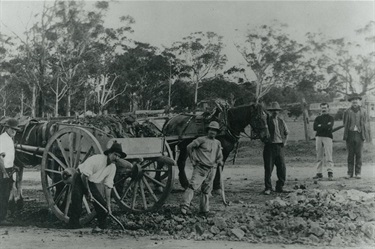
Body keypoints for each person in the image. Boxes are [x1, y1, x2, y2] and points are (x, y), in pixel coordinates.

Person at [68, 141, 127, 230]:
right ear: (109, 153)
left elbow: (108, 186)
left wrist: (108, 205)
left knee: (102, 206)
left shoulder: (112, 167)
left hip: (90, 181)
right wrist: (88, 192)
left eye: (119, 156)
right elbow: (84, 176)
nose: (117, 158)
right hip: (80, 178)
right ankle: (73, 227)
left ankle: (101, 226)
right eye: (115, 155)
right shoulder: (97, 160)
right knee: (77, 204)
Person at [181, 121, 224, 216]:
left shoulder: (217, 143)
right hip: (200, 168)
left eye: (215, 130)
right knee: (192, 186)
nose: (212, 132)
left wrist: (220, 160)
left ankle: (204, 210)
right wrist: (192, 159)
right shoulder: (201, 140)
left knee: (206, 190)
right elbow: (189, 147)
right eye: (211, 129)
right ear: (208, 130)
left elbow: (219, 156)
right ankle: (184, 206)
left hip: (212, 169)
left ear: (217, 132)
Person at [263, 102, 289, 195]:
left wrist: (284, 142)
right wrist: (265, 140)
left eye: (277, 110)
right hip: (270, 147)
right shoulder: (266, 121)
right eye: (273, 111)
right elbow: (261, 134)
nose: (275, 112)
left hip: (280, 146)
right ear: (270, 112)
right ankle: (268, 188)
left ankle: (280, 187)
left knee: (282, 167)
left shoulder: (281, 121)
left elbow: (286, 133)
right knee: (268, 168)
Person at [343, 93, 369, 179]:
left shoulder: (363, 111)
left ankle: (358, 173)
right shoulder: (347, 111)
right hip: (350, 134)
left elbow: (365, 122)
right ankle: (349, 173)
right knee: (350, 155)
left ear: (359, 101)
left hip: (359, 134)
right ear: (351, 102)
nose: (355, 101)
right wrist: (347, 133)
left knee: (359, 155)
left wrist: (364, 134)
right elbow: (344, 123)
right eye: (353, 100)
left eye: (356, 100)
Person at [0, 119, 20, 225]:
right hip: (2, 169)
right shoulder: (3, 139)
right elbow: (0, 158)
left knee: (6, 193)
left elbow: (8, 157)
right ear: (7, 128)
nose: (14, 132)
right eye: (12, 129)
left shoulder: (9, 138)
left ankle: (3, 217)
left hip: (8, 169)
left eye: (16, 130)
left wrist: (13, 166)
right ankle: (1, 219)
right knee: (3, 194)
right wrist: (4, 172)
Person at [313, 103, 334, 180]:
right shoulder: (317, 118)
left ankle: (330, 173)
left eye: (325, 108)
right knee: (319, 155)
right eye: (322, 108)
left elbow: (330, 126)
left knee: (328, 155)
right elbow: (315, 127)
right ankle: (319, 173)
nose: (324, 109)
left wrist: (320, 126)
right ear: (320, 109)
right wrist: (324, 126)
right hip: (318, 137)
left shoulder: (330, 118)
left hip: (327, 137)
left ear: (328, 108)